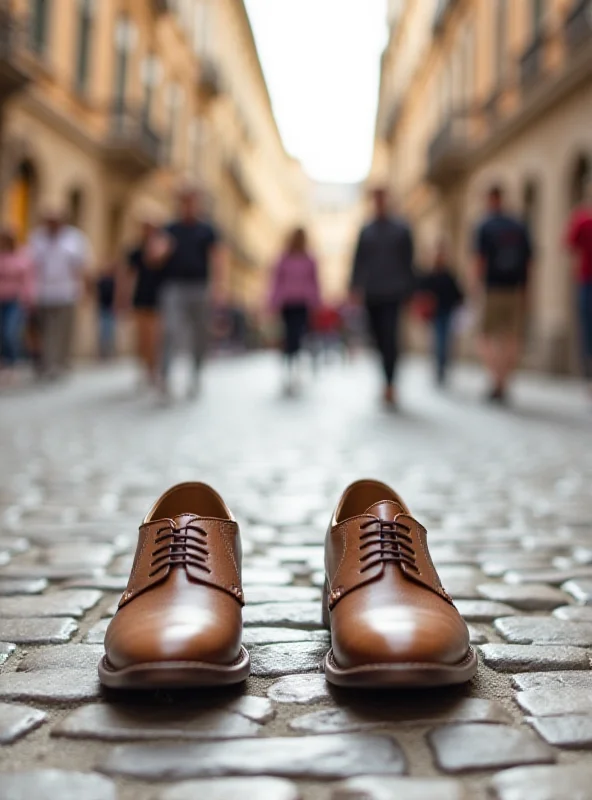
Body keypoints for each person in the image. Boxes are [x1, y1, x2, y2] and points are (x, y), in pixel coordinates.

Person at [350, 187, 415, 407]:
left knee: (390, 337)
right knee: (377, 338)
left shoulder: (401, 229)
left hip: (393, 291)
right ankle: (385, 379)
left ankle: (390, 383)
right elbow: (358, 261)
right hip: (372, 292)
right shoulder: (366, 230)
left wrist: (410, 291)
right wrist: (355, 288)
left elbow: (409, 262)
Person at [160, 187, 223, 399]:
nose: (188, 205)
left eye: (192, 201)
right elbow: (156, 256)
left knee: (199, 335)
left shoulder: (207, 230)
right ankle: (165, 377)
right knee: (170, 330)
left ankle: (195, 375)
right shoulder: (170, 229)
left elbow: (217, 259)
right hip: (174, 286)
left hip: (200, 287)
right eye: (185, 201)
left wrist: (218, 287)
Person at [472, 185, 533, 403]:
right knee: (511, 337)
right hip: (515, 288)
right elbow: (529, 262)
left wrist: (476, 288)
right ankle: (503, 381)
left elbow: (480, 260)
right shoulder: (518, 225)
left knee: (485, 336)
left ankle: (496, 379)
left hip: (493, 288)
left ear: (490, 199)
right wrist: (527, 290)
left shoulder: (485, 225)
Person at [29, 208, 89, 379]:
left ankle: (61, 362)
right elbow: (31, 265)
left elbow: (81, 266)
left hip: (67, 292)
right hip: (42, 291)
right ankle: (47, 363)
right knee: (45, 330)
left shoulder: (75, 238)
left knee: (63, 331)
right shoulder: (37, 238)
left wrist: (85, 290)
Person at [269, 227, 321, 394]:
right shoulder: (284, 259)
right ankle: (289, 367)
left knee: (297, 336)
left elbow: (314, 282)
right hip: (288, 303)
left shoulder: (309, 259)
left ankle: (294, 366)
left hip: (302, 303)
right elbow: (277, 281)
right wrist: (273, 302)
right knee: (289, 336)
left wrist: (315, 303)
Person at [125, 213, 171, 388]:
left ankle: (155, 369)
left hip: (160, 298)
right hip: (141, 297)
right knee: (142, 337)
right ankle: (146, 369)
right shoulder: (135, 251)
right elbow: (127, 276)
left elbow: (155, 260)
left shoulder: (165, 246)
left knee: (156, 338)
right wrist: (123, 298)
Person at [416, 242, 464, 386]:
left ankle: (441, 366)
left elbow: (458, 294)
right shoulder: (430, 276)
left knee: (443, 340)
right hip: (435, 313)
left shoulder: (448, 275)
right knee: (438, 340)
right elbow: (421, 293)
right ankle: (438, 366)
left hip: (446, 312)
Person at [565, 180, 592, 387]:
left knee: (588, 328)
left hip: (586, 282)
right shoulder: (582, 219)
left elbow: (571, 250)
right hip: (586, 281)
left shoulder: (582, 218)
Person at [0, 227, 35, 381]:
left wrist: (28, 299)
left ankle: (12, 362)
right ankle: (4, 362)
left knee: (10, 331)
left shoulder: (22, 256)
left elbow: (28, 280)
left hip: (14, 300)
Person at [96, 263, 117, 360]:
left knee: (111, 331)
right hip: (102, 308)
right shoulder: (101, 281)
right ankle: (102, 353)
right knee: (102, 331)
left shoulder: (114, 281)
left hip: (111, 309)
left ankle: (110, 352)